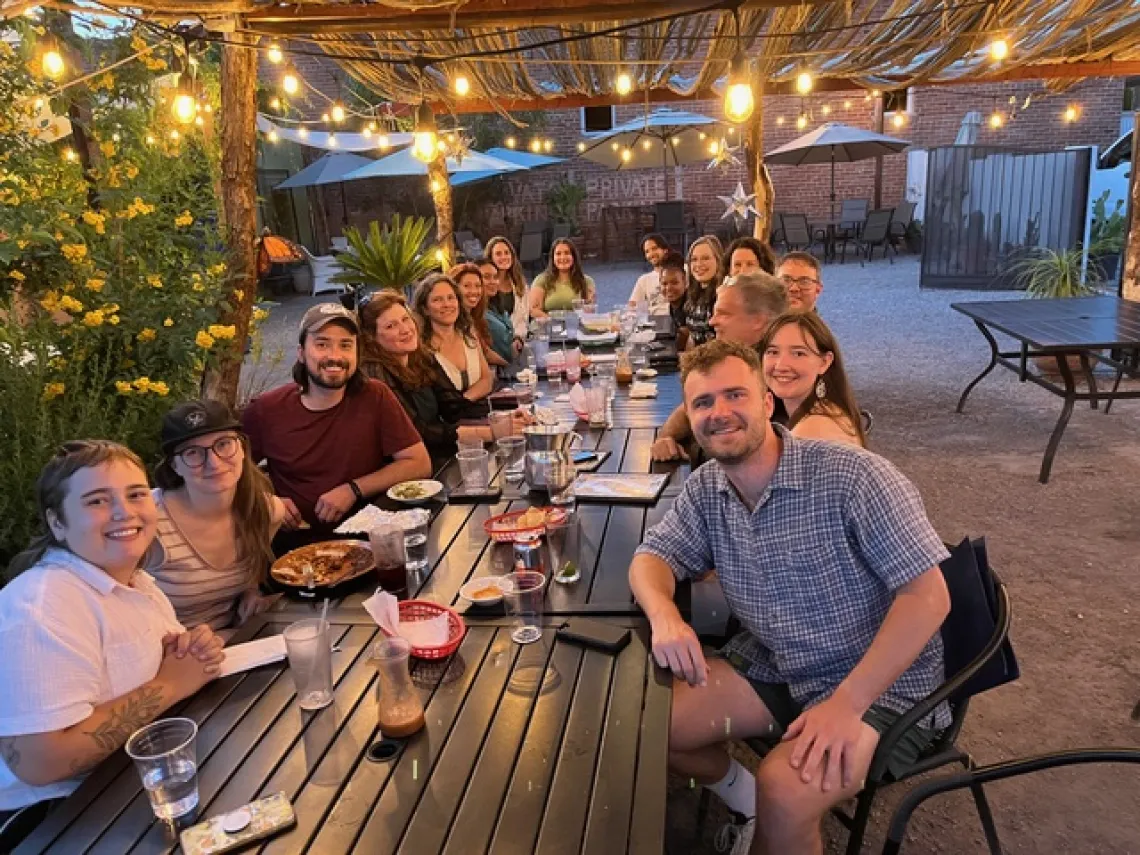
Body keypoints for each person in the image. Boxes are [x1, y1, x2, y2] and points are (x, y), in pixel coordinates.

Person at [629, 340, 951, 855]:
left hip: (881, 685)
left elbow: (929, 598)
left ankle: (774, 815)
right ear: (688, 417)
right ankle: (748, 803)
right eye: (703, 403)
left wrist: (846, 704)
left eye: (736, 394)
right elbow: (651, 557)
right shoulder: (708, 487)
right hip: (779, 661)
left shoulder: (852, 476)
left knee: (786, 789)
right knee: (642, 724)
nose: (720, 413)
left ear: (767, 402)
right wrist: (666, 615)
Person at [0, 441, 225, 813]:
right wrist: (171, 683)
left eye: (136, 494)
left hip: (142, 774)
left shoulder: (137, 583)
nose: (125, 512)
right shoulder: (42, 607)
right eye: (97, 501)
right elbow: (39, 763)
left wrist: (192, 651)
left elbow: (164, 666)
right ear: (57, 522)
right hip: (54, 816)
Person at [242, 302, 431, 531]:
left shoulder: (375, 396)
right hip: (298, 543)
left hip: (369, 533)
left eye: (345, 345)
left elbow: (418, 462)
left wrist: (353, 489)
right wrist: (267, 501)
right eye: (322, 344)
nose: (335, 356)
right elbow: (229, 474)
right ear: (301, 353)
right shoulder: (266, 410)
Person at [150, 401, 292, 635]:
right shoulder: (149, 523)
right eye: (193, 452)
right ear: (175, 466)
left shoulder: (266, 511)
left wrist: (251, 593)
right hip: (168, 657)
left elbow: (251, 576)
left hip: (235, 644)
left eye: (223, 444)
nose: (214, 463)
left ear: (242, 448)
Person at [360, 291, 526, 466]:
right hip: (407, 471)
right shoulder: (375, 373)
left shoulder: (422, 357)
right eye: (391, 326)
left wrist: (503, 418)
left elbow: (454, 407)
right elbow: (419, 433)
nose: (405, 330)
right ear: (372, 337)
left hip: (438, 456)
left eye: (405, 319)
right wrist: (492, 432)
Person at [651, 272, 788, 463]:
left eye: (723, 313)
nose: (712, 321)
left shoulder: (781, 373)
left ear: (758, 320)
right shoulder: (735, 359)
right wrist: (665, 438)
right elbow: (686, 409)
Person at [761, 312, 865, 447]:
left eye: (798, 353)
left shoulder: (815, 430)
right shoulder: (827, 410)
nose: (781, 365)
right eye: (773, 352)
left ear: (824, 362)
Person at [413, 273, 494, 403]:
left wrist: (463, 401)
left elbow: (486, 379)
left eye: (451, 298)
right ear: (425, 309)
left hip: (478, 410)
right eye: (437, 300)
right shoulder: (421, 348)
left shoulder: (469, 334)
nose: (447, 304)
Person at [450, 262, 508, 369]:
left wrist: (510, 368)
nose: (474, 291)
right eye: (467, 286)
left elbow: (485, 351)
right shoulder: (452, 323)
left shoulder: (475, 317)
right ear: (454, 289)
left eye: (478, 286)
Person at [528, 238, 596, 318]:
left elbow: (590, 312)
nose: (563, 257)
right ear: (552, 258)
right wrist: (553, 323)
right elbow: (534, 310)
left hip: (576, 325)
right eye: (558, 254)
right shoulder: (541, 280)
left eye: (567, 253)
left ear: (573, 257)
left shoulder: (587, 281)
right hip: (547, 326)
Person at [485, 235, 530, 342]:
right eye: (498, 254)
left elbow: (523, 319)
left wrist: (518, 337)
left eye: (507, 253)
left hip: (518, 340)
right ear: (491, 257)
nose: (504, 257)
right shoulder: (486, 285)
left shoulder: (520, 284)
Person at [682, 236, 723, 348]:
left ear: (718, 261)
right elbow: (692, 337)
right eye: (694, 259)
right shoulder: (693, 294)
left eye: (705, 258)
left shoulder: (722, 296)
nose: (699, 264)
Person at [477, 257, 517, 364]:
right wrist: (507, 366)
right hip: (498, 370)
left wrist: (517, 340)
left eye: (495, 277)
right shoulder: (475, 313)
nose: (493, 282)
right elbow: (485, 352)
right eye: (486, 277)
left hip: (513, 362)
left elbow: (509, 334)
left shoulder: (495, 305)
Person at [628, 233, 672, 316]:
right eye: (647, 251)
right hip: (653, 323)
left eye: (654, 248)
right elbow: (632, 307)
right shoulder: (644, 280)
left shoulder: (683, 270)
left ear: (665, 250)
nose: (651, 254)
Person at [658, 250, 690, 351]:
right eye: (664, 283)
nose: (668, 288)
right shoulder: (673, 304)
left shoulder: (690, 305)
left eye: (674, 283)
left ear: (684, 282)